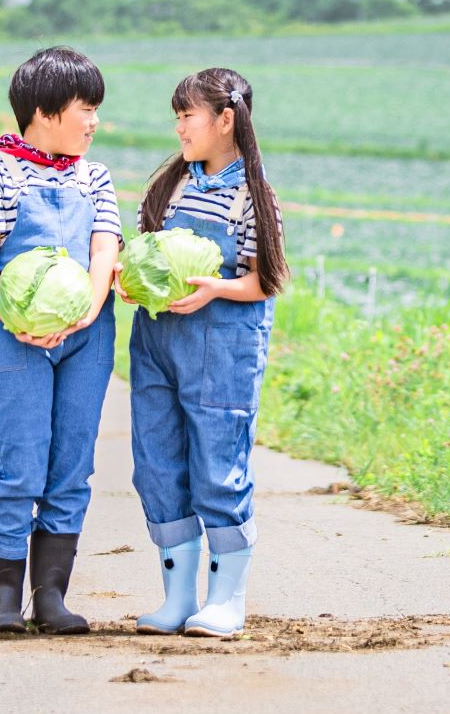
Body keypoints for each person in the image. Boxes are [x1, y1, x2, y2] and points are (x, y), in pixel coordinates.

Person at [0, 45, 121, 633]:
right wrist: (17, 318)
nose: (95, 121)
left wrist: (88, 309)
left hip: (87, 337)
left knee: (70, 466)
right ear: (46, 110)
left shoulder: (95, 177)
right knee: (21, 464)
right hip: (15, 337)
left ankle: (51, 598)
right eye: (86, 107)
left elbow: (105, 248)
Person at [127, 66, 289, 639]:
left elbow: (262, 280)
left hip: (222, 343)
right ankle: (176, 599)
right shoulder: (170, 185)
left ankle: (226, 601)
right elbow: (145, 250)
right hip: (157, 343)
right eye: (176, 117)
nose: (179, 128)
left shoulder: (254, 194)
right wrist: (133, 281)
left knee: (218, 468)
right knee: (157, 464)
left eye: (187, 116)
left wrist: (213, 289)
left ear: (226, 120)